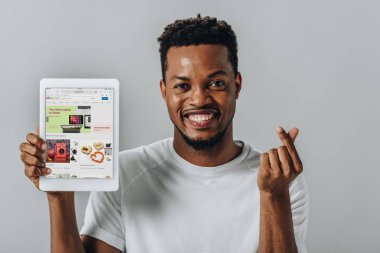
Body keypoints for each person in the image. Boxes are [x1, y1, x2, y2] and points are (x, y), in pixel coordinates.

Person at [19, 15, 308, 253]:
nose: (199, 99)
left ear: (237, 85)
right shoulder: (124, 173)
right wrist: (59, 197)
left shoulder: (279, 181)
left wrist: (274, 196)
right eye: (182, 86)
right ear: (164, 91)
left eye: (216, 83)